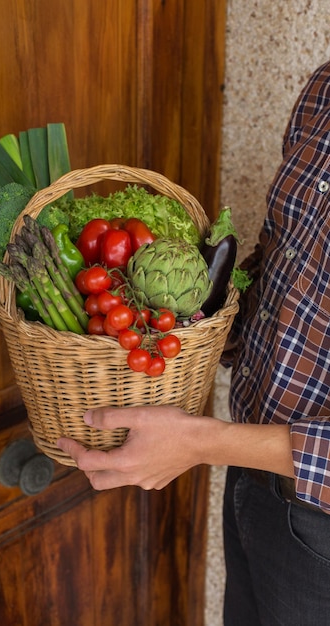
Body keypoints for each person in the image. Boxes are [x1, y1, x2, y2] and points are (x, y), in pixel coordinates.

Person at [57, 60, 330, 625]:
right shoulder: (323, 90)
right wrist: (169, 326)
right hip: (251, 478)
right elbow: (284, 279)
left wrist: (201, 442)